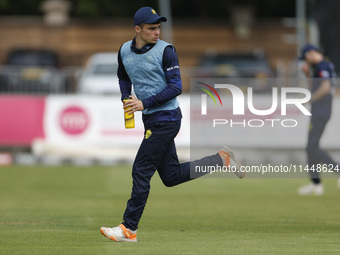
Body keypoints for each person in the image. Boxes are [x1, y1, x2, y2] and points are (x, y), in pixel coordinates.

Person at [100, 7, 245, 242]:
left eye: (158, 28)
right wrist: (126, 97)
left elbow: (176, 87)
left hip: (166, 120)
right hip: (152, 119)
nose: (157, 32)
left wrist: (144, 103)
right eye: (151, 28)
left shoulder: (166, 51)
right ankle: (221, 159)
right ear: (138, 29)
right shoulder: (124, 50)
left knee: (141, 170)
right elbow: (123, 76)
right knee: (170, 176)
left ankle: (129, 228)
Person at [297, 44, 340, 196]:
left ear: (310, 54)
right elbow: (316, 87)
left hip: (321, 111)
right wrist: (307, 74)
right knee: (311, 147)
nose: (306, 61)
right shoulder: (322, 66)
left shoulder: (322, 66)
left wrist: (309, 99)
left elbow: (325, 88)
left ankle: (332, 173)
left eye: (306, 58)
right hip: (320, 111)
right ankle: (316, 184)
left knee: (312, 147)